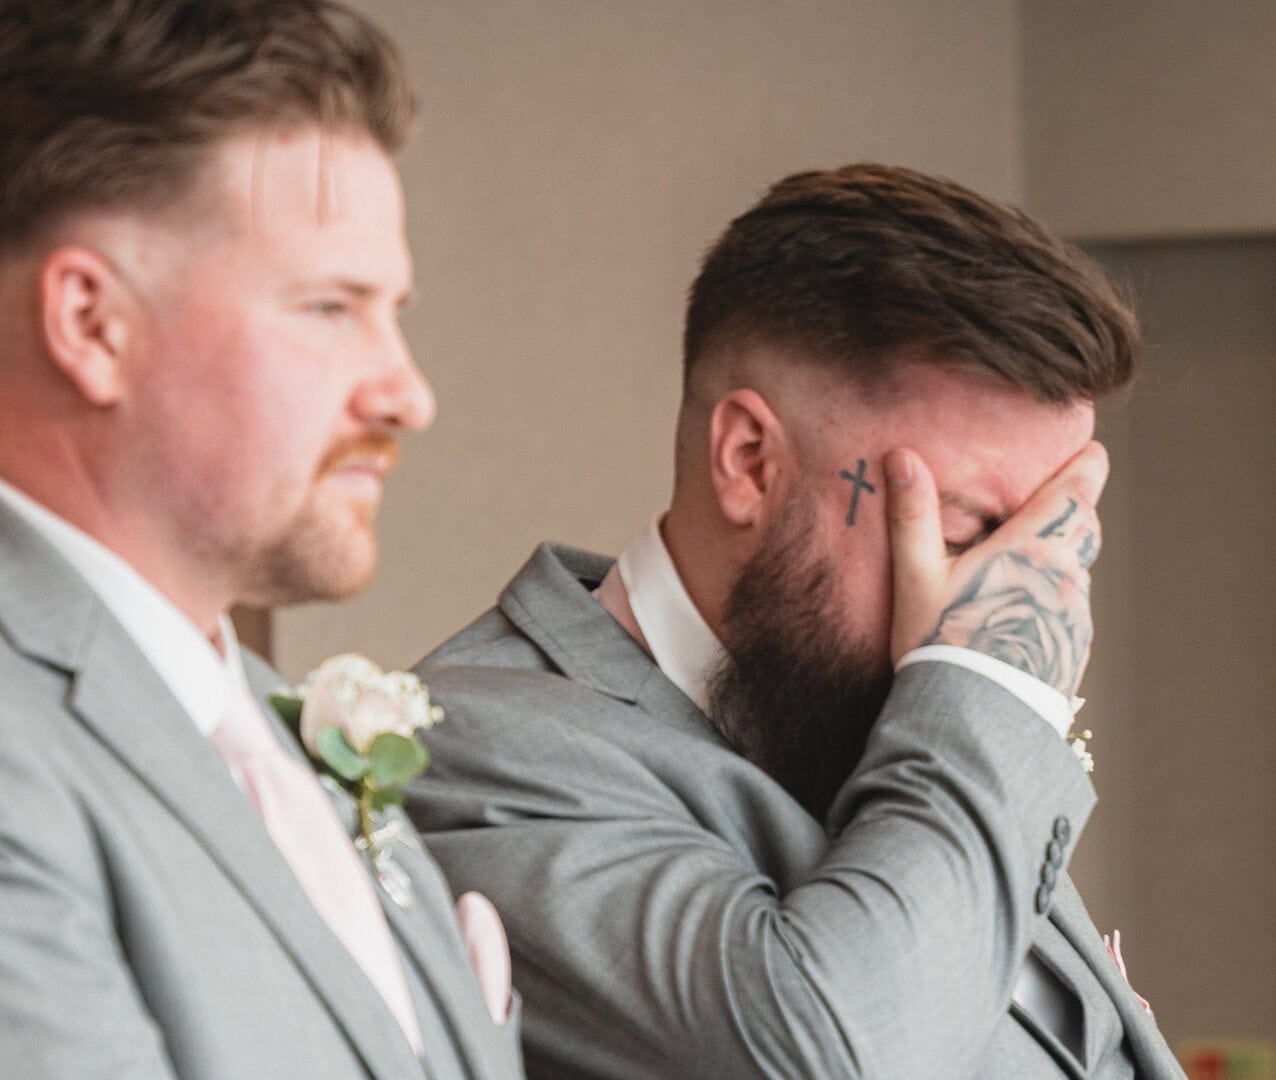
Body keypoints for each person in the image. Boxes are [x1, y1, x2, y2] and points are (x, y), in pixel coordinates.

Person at [410, 163, 1187, 1078]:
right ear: (750, 461)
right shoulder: (470, 752)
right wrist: (987, 687)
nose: (1012, 598)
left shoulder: (861, 698)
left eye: (1045, 542)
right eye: (967, 532)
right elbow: (829, 1057)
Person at [0, 2, 520, 1077]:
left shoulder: (275, 734)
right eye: (331, 307)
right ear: (92, 324)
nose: (409, 394)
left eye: (394, 310)